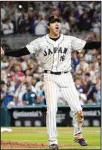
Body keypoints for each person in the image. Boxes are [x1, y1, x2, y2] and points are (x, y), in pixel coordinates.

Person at [1, 15, 101, 150]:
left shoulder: (68, 40)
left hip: (66, 77)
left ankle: (78, 135)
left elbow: (87, 45)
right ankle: (52, 141)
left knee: (78, 109)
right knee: (52, 110)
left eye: (58, 22)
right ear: (49, 26)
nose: (57, 24)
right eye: (54, 22)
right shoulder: (41, 41)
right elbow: (23, 51)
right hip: (50, 78)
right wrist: (6, 52)